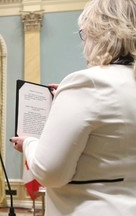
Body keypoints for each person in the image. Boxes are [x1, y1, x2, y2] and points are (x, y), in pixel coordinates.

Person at [10, 0, 136, 215]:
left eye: (84, 34)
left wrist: (29, 143)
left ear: (97, 32)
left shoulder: (87, 83)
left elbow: (50, 172)